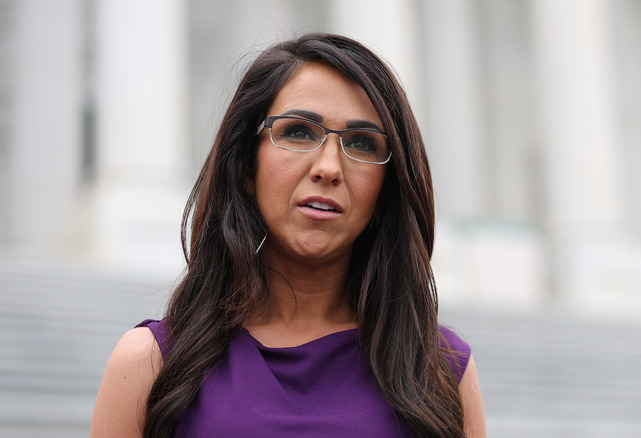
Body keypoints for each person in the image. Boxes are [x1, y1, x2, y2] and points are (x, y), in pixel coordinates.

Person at [90, 32, 485, 438]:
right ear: (246, 166)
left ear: (385, 189)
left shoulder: (443, 371)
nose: (329, 167)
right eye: (299, 131)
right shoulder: (148, 363)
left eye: (363, 142)